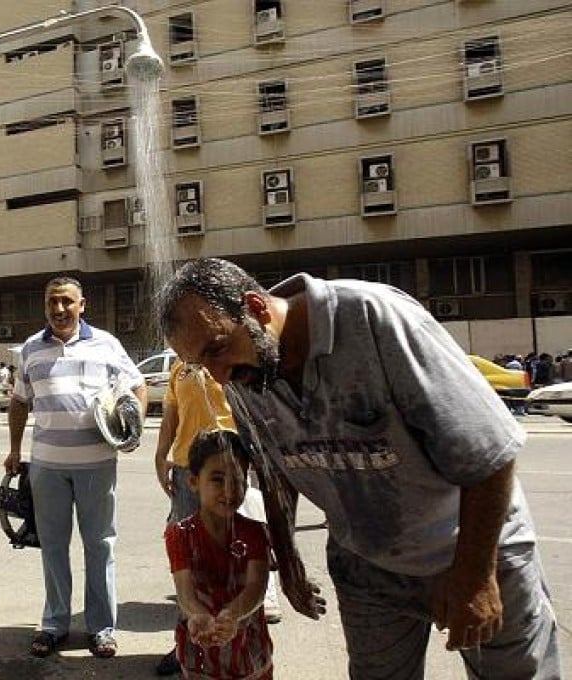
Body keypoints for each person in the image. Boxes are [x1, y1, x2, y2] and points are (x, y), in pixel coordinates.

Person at [157, 257, 561, 679]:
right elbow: (273, 467)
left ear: (257, 309)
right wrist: (287, 554)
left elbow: (488, 451)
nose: (219, 378)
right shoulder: (243, 375)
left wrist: (476, 576)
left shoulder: (372, 318)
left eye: (219, 348)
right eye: (204, 365)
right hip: (367, 567)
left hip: (474, 548)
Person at [3, 276, 146, 659]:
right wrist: (15, 449)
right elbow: (19, 402)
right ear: (45, 305)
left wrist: (133, 430)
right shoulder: (31, 349)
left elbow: (136, 386)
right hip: (47, 466)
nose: (59, 309)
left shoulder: (106, 344)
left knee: (100, 545)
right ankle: (55, 623)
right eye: (52, 302)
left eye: (67, 301)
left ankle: (101, 628)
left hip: (98, 464)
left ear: (82, 305)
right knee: (53, 547)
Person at [154, 358, 281, 676]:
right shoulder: (180, 368)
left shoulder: (232, 359)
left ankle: (237, 632)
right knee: (191, 553)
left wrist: (234, 615)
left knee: (237, 554)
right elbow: (172, 411)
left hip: (233, 456)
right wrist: (161, 453)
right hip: (190, 465)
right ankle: (191, 641)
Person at [165, 429, 274, 680]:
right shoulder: (180, 535)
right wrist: (197, 614)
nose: (229, 490)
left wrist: (231, 615)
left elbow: (256, 587)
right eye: (217, 479)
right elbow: (184, 591)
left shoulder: (255, 532)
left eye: (238, 479)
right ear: (193, 482)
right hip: (200, 654)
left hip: (248, 650)